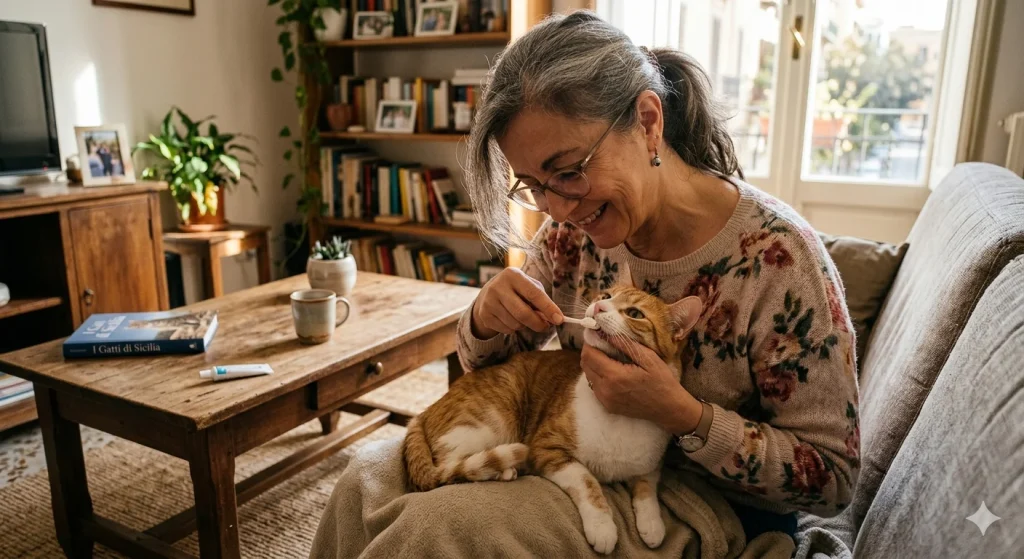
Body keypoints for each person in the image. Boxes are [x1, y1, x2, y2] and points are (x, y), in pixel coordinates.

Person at [311, 11, 858, 557]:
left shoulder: (780, 260)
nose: (557, 208)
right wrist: (485, 319)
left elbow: (833, 481)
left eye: (569, 171)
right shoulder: (571, 234)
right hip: (577, 451)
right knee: (363, 481)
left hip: (708, 504)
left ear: (647, 121)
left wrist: (683, 415)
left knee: (434, 527)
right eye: (533, 187)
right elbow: (499, 375)